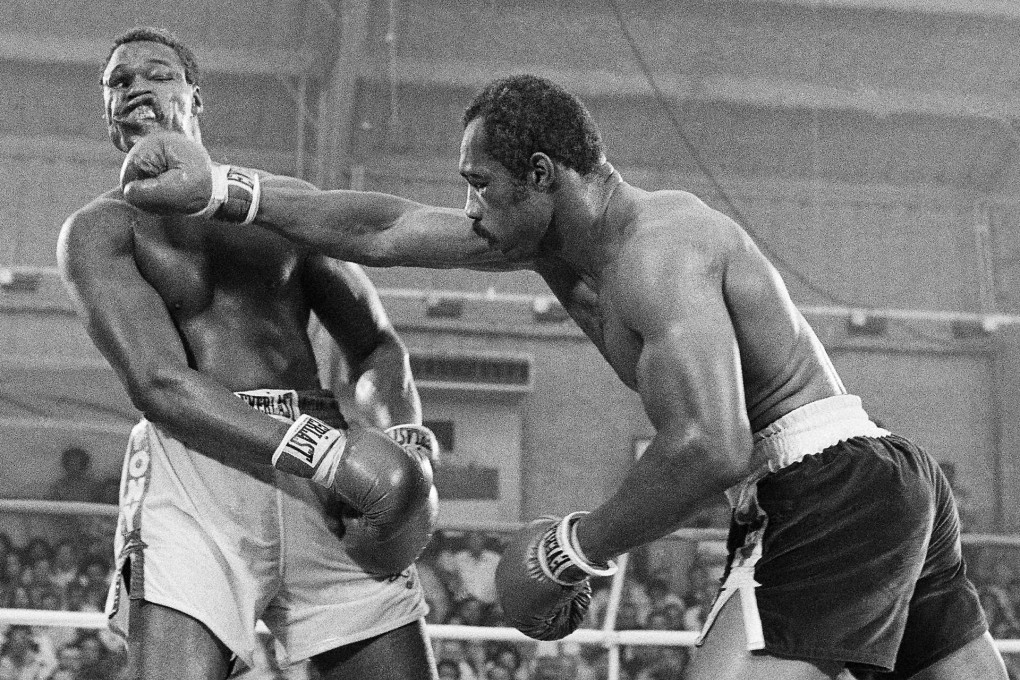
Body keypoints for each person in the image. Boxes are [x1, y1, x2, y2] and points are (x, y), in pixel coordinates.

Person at [118, 73, 1008, 679]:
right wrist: (222, 187)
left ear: (540, 176)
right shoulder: (548, 240)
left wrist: (576, 547)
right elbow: (380, 229)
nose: (468, 207)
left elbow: (711, 442)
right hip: (876, 480)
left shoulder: (659, 252)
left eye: (480, 185)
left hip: (822, 487)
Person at [57, 27, 441, 680]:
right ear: (106, 111)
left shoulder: (277, 204)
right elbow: (159, 384)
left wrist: (401, 438)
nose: (136, 87)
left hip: (328, 473)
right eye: (119, 82)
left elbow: (375, 345)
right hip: (197, 465)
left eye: (157, 73)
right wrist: (326, 454)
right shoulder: (99, 229)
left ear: (196, 99)